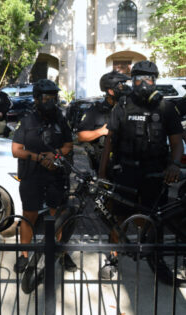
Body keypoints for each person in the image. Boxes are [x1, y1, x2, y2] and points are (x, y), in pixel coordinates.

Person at [99, 61, 184, 279]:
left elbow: (176, 143)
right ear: (132, 80)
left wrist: (174, 164)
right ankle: (112, 259)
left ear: (155, 80)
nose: (144, 83)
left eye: (149, 78)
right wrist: (102, 173)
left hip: (154, 174)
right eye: (139, 78)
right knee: (118, 218)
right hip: (125, 171)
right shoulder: (123, 105)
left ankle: (156, 262)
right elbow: (109, 141)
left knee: (153, 221)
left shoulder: (165, 107)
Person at [11, 79, 76, 273]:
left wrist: (55, 155)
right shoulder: (27, 120)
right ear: (37, 99)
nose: (50, 101)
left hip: (56, 174)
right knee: (29, 214)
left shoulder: (60, 118)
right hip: (32, 174)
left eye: (53, 97)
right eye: (46, 97)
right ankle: (24, 255)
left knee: (57, 215)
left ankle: (61, 254)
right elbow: (16, 150)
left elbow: (68, 145)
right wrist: (39, 158)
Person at [77, 71, 130, 173]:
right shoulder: (97, 109)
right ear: (110, 91)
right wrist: (101, 131)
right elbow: (81, 136)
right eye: (120, 85)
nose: (124, 88)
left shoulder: (129, 107)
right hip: (105, 165)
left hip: (127, 163)